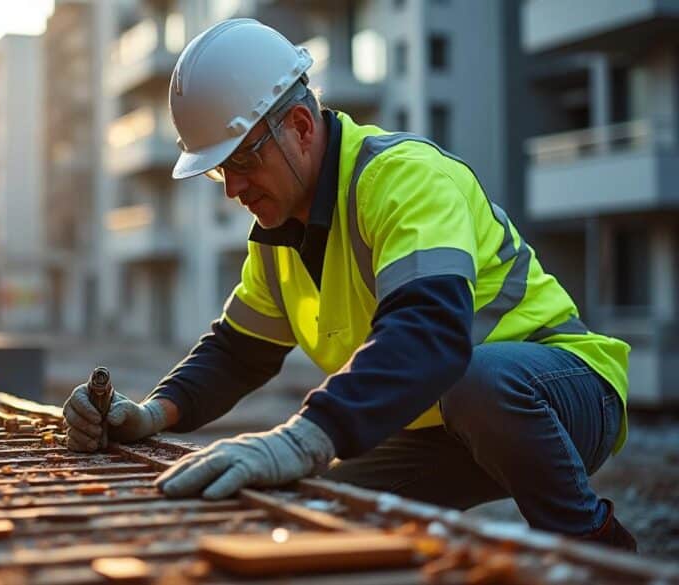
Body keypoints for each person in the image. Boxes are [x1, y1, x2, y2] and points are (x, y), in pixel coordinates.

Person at [63, 19, 635, 550]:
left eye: (240, 161)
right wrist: (152, 413)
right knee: (321, 510)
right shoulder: (278, 232)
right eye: (218, 171)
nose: (231, 189)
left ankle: (592, 545)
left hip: (563, 391)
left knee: (475, 381)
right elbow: (238, 351)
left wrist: (303, 437)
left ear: (302, 128)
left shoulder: (404, 180)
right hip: (441, 425)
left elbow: (429, 332)